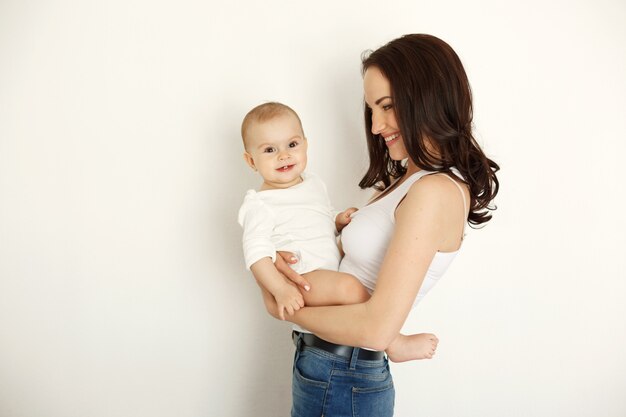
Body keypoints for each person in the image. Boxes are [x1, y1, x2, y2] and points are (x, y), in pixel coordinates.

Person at [258, 34, 500, 417]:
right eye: (372, 109)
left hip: (343, 373)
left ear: (427, 100)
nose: (375, 126)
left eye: (387, 107)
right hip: (330, 369)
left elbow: (376, 330)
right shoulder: (408, 180)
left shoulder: (434, 191)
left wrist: (286, 308)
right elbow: (353, 269)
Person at [238, 102, 440, 363]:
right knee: (350, 289)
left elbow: (318, 219)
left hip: (325, 275)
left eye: (292, 144)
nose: (283, 155)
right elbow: (255, 252)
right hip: (302, 278)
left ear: (306, 144)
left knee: (350, 295)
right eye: (269, 150)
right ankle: (394, 342)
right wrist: (280, 290)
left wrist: (337, 220)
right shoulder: (260, 204)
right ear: (251, 160)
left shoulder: (312, 184)